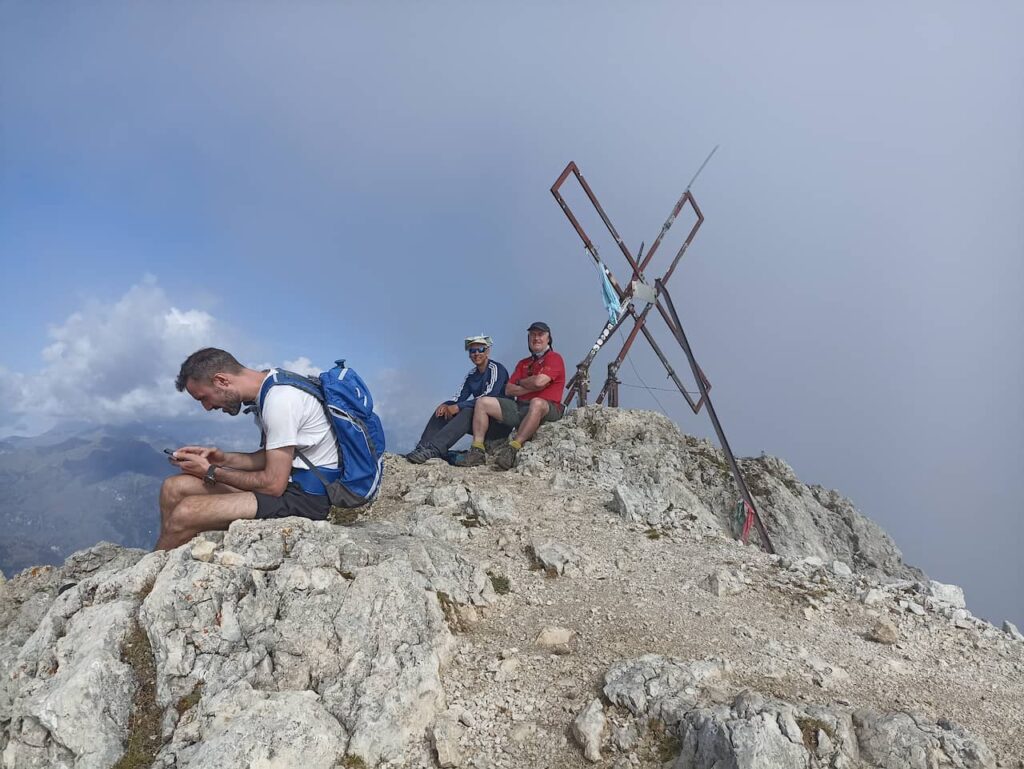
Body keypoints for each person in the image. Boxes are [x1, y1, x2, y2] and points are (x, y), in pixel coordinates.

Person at [156, 348, 339, 549]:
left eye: (203, 398)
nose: (207, 407)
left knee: (186, 512)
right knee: (173, 488)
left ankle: (152, 573)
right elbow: (273, 457)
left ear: (221, 381)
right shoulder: (269, 389)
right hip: (289, 484)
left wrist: (211, 471)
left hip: (306, 498)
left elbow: (273, 485)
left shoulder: (281, 401)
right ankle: (169, 552)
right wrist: (222, 459)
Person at [455, 321, 565, 470]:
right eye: (532, 335)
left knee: (537, 402)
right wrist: (528, 384)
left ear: (548, 339)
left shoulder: (554, 358)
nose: (536, 338)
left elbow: (539, 382)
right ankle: (477, 450)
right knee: (482, 402)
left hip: (549, 407)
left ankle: (513, 448)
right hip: (520, 408)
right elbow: (509, 390)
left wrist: (527, 384)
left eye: (540, 335)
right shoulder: (523, 363)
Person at [405, 335, 510, 463]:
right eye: (472, 351)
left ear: (487, 351)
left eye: (481, 350)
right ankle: (422, 447)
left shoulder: (496, 369)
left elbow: (490, 395)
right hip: (480, 422)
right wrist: (446, 405)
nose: (476, 353)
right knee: (443, 409)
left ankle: (435, 449)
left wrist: (458, 407)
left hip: (499, 424)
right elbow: (458, 398)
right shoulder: (471, 375)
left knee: (467, 411)